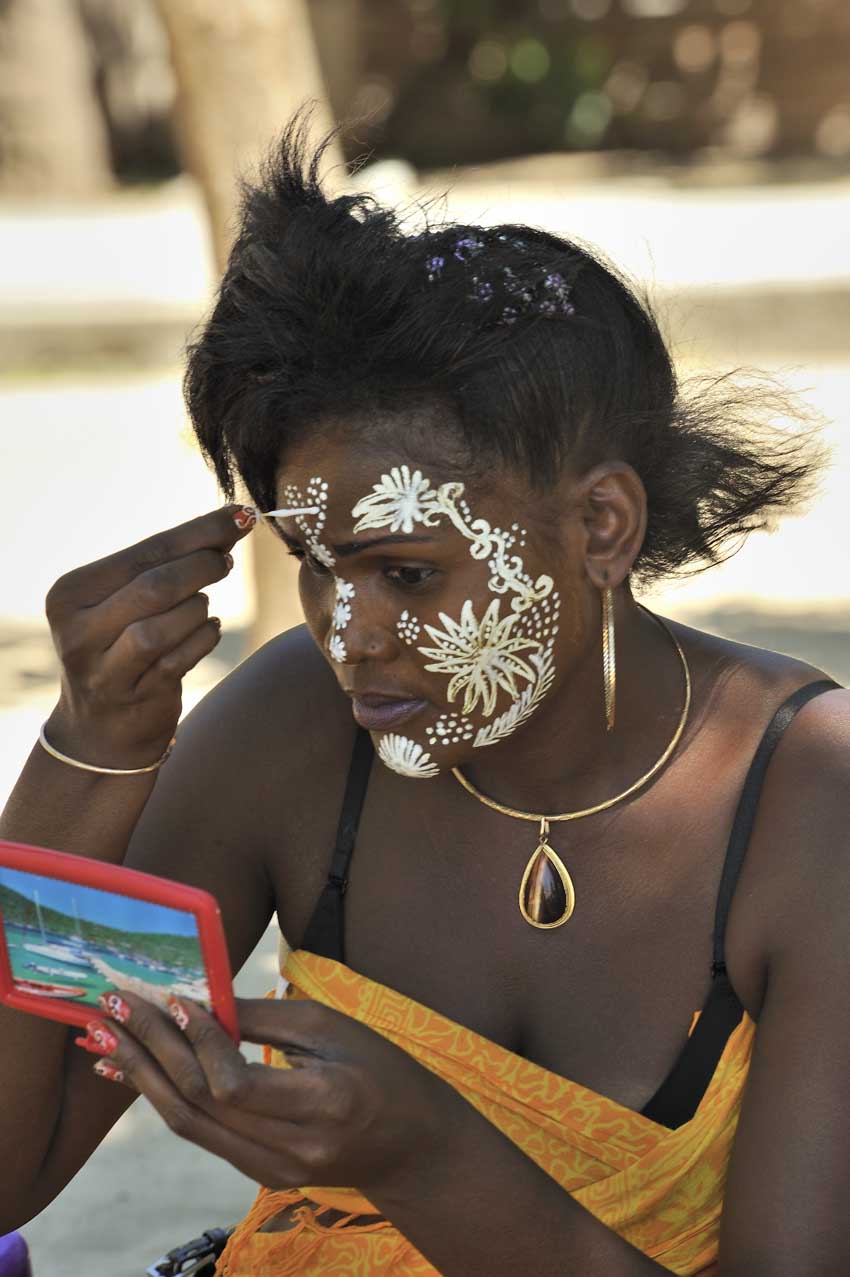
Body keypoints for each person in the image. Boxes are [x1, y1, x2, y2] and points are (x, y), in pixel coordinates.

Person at [1, 112, 848, 1277]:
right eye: (315, 565)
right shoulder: (293, 728)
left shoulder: (807, 797)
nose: (348, 635)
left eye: (405, 572)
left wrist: (425, 1158)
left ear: (602, 525)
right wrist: (86, 751)